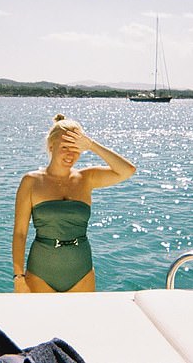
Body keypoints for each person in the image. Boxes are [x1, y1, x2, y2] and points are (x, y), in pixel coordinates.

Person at [12, 114, 136, 293]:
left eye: (76, 148)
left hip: (81, 271)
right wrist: (18, 276)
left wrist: (92, 145)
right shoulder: (31, 181)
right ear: (51, 146)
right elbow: (20, 232)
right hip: (41, 271)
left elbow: (128, 170)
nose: (70, 154)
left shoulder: (86, 178)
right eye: (64, 147)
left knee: (82, 321)